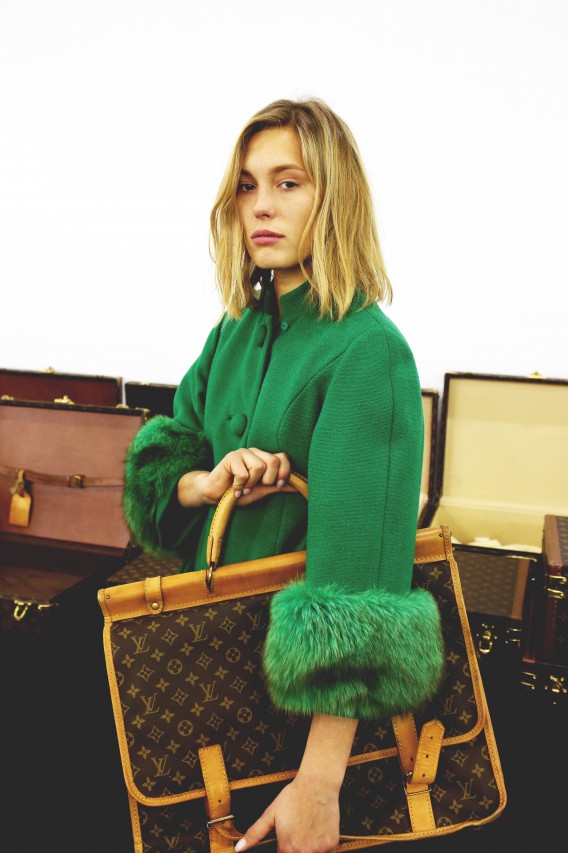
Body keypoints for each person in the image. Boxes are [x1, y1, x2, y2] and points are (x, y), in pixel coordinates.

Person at [122, 97, 444, 853]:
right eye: (246, 186)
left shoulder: (368, 350)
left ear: (335, 196)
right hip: (211, 669)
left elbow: (360, 591)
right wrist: (206, 483)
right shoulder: (233, 329)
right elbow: (165, 470)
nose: (260, 206)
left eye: (287, 182)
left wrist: (320, 783)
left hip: (304, 725)